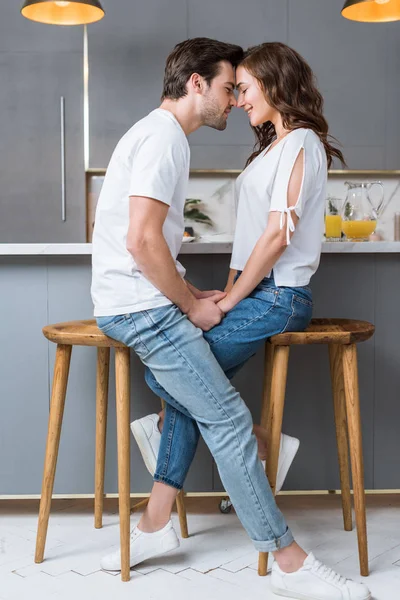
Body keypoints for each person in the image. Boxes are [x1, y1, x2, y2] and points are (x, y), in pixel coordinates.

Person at [91, 38, 371, 600]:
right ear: (198, 83)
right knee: (218, 412)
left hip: (270, 295)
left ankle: (156, 524)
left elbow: (275, 234)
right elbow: (144, 240)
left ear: (273, 83)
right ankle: (269, 498)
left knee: (187, 392)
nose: (236, 98)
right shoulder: (172, 138)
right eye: (230, 86)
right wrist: (198, 300)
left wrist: (214, 296)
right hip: (180, 301)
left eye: (243, 88)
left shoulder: (296, 145)